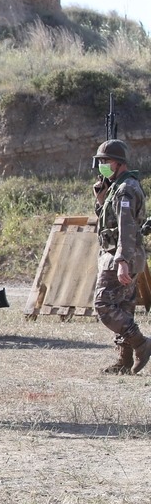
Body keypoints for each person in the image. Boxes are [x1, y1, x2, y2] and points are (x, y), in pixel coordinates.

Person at [91, 140, 151, 374]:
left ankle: (141, 344)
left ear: (119, 163)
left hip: (120, 255)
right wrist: (100, 199)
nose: (102, 166)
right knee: (123, 307)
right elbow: (111, 219)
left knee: (104, 304)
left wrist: (122, 262)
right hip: (127, 254)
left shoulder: (125, 188)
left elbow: (126, 227)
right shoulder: (118, 186)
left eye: (106, 161)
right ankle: (125, 361)